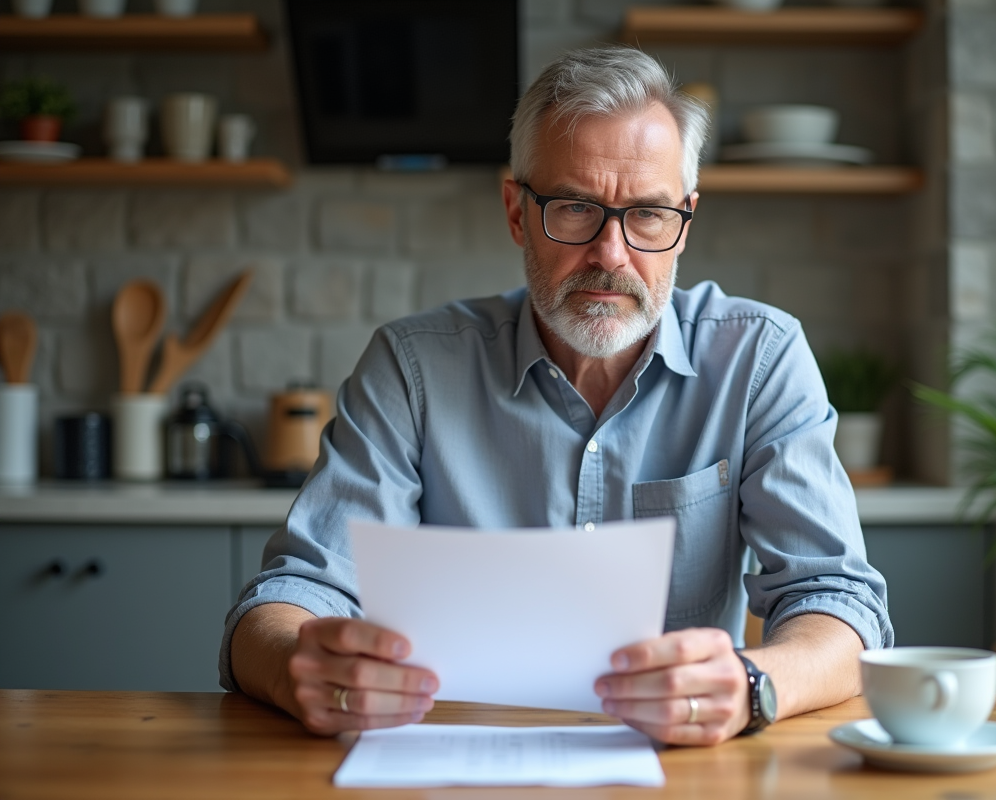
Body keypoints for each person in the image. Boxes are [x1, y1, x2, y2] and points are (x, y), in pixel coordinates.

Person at [221, 46, 893, 747]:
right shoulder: (412, 367)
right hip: (453, 761)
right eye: (575, 208)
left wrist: (752, 685)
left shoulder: (759, 358)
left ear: (685, 221)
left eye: (648, 214)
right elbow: (289, 598)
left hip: (682, 766)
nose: (611, 254)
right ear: (517, 211)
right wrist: (298, 666)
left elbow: (838, 602)